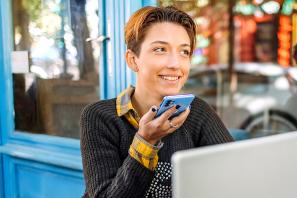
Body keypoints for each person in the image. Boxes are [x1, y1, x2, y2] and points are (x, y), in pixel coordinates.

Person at [80, 6, 234, 198]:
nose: (175, 64)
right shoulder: (99, 117)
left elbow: (235, 174)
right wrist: (146, 141)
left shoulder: (198, 112)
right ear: (133, 60)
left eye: (184, 52)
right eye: (160, 49)